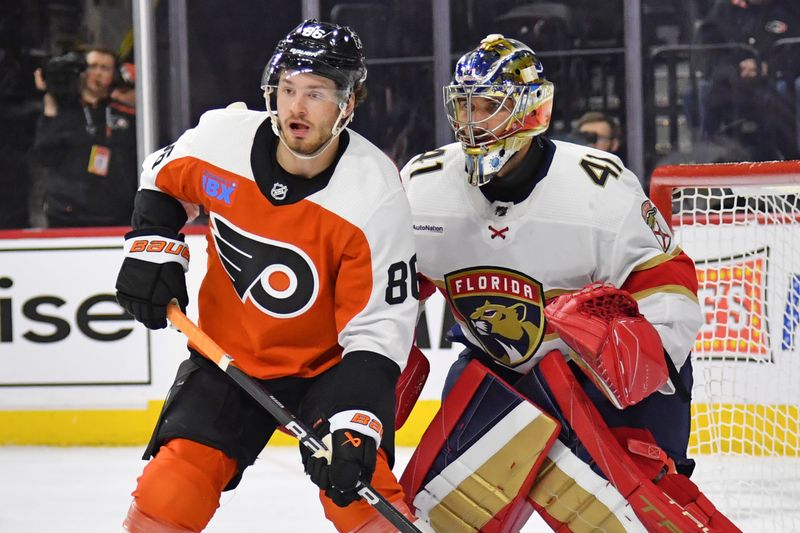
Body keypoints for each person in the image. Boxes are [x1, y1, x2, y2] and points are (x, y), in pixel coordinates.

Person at [400, 35, 731, 531]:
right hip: (498, 375)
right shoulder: (424, 185)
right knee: (436, 517)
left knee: (639, 518)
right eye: (464, 105)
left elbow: (668, 279)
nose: (471, 121)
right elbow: (391, 287)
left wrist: (639, 354)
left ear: (531, 110)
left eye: (488, 106)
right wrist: (375, 361)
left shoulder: (597, 187)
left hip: (601, 384)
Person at [115, 20, 423, 533]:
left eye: (316, 93)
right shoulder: (223, 140)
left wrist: (355, 424)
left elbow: (377, 328)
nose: (296, 108)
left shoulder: (373, 194)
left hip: (329, 371)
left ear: (348, 103)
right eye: (288, 90)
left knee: (361, 497)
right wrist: (154, 247)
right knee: (172, 488)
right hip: (229, 359)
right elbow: (162, 176)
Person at [29, 45, 137, 227]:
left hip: (116, 215)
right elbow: (44, 155)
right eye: (93, 66)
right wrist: (49, 106)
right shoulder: (63, 110)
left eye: (105, 68)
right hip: (67, 215)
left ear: (114, 75)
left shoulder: (124, 114)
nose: (98, 73)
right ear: (82, 72)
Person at [691, 0, 800, 160]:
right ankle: (708, 154)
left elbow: (795, 51)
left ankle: (791, 157)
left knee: (784, 91)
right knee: (701, 90)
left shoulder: (792, 7)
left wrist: (770, 67)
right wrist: (735, 68)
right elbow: (707, 51)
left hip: (780, 79)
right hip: (733, 80)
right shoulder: (726, 8)